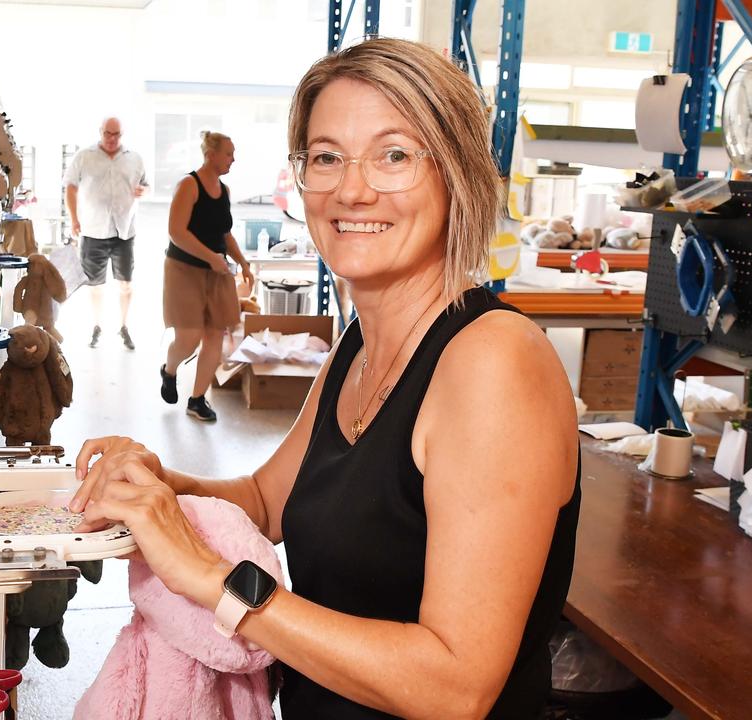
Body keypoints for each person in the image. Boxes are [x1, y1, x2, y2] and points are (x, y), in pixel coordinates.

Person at [68, 38, 580, 719]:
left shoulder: (494, 363)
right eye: (326, 156)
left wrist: (213, 581)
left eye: (394, 155)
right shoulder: (360, 347)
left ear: (456, 174)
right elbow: (266, 499)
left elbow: (457, 686)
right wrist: (160, 489)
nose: (351, 188)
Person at [161, 130, 253, 422]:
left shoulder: (223, 191)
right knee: (188, 337)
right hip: (184, 270)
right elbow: (176, 232)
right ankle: (169, 369)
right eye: (229, 153)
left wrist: (242, 261)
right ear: (211, 154)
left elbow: (224, 233)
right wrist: (210, 257)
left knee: (216, 334)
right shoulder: (189, 185)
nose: (233, 159)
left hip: (217, 270)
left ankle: (197, 399)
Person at [65, 116, 150, 349]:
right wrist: (74, 218)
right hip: (93, 229)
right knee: (95, 284)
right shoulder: (85, 156)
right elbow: (70, 187)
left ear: (122, 135)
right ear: (100, 132)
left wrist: (144, 190)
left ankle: (124, 326)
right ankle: (97, 325)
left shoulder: (134, 158)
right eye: (107, 134)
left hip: (124, 229)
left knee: (125, 282)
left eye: (117, 134)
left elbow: (145, 184)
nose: (112, 139)